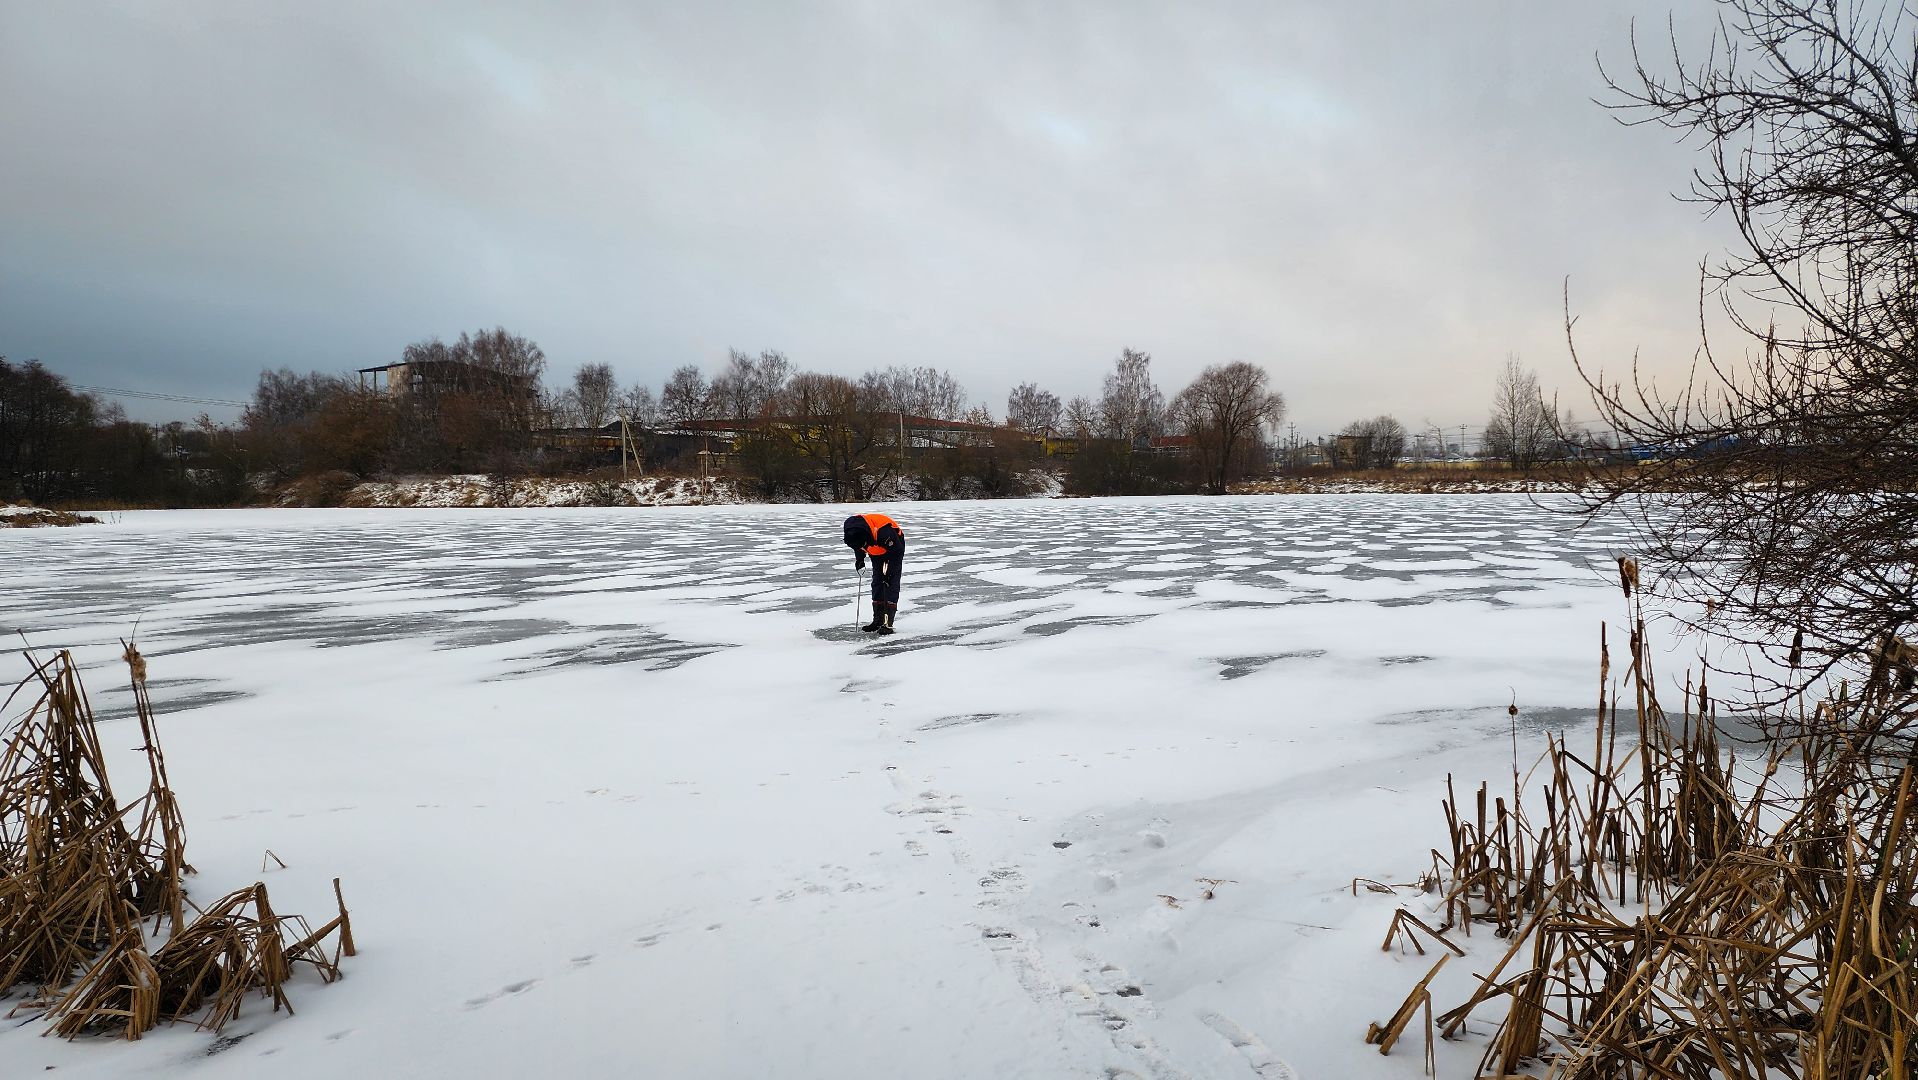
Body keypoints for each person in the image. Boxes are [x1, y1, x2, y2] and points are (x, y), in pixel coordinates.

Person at [843, 512, 905, 634]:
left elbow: (896, 551)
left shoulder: (884, 532)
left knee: (890, 583)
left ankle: (887, 624)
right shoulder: (852, 531)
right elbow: (858, 545)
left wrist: (891, 571)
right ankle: (878, 620)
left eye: (864, 544)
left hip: (893, 547)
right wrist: (859, 559)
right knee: (877, 582)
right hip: (876, 551)